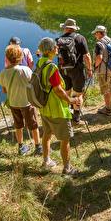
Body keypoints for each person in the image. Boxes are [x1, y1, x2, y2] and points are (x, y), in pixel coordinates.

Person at [37, 37, 83, 177]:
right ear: (49, 51)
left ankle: (46, 161)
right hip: (57, 108)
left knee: (46, 134)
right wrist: (71, 100)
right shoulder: (52, 67)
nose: (58, 48)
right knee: (65, 139)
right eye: (55, 47)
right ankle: (67, 169)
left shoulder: (40, 62)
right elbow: (58, 90)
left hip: (44, 107)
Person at [0, 45, 42, 156]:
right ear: (20, 57)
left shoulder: (3, 72)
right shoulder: (25, 70)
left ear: (7, 58)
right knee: (33, 125)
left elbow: (4, 91)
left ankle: (21, 146)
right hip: (26, 102)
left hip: (13, 103)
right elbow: (32, 84)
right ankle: (38, 147)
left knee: (18, 126)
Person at [56, 18, 92, 126]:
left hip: (63, 70)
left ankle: (66, 117)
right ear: (74, 29)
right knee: (79, 94)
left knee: (67, 92)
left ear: (65, 28)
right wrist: (89, 69)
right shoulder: (80, 38)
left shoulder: (58, 39)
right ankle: (76, 119)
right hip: (76, 70)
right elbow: (87, 56)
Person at [92, 25, 111, 116]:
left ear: (99, 33)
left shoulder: (99, 44)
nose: (95, 35)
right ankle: (109, 107)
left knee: (105, 90)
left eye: (95, 34)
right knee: (110, 88)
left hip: (103, 71)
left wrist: (95, 66)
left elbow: (99, 57)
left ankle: (107, 109)